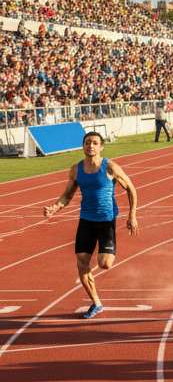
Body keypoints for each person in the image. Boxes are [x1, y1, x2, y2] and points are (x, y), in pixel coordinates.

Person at [43, 131, 139, 319]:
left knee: (105, 264)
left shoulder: (110, 167)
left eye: (95, 143)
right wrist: (56, 207)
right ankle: (96, 303)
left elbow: (131, 189)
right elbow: (67, 195)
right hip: (86, 220)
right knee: (81, 263)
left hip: (106, 220)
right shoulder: (76, 170)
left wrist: (132, 215)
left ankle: (106, 251)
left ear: (101, 147)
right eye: (87, 143)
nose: (90, 146)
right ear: (83, 146)